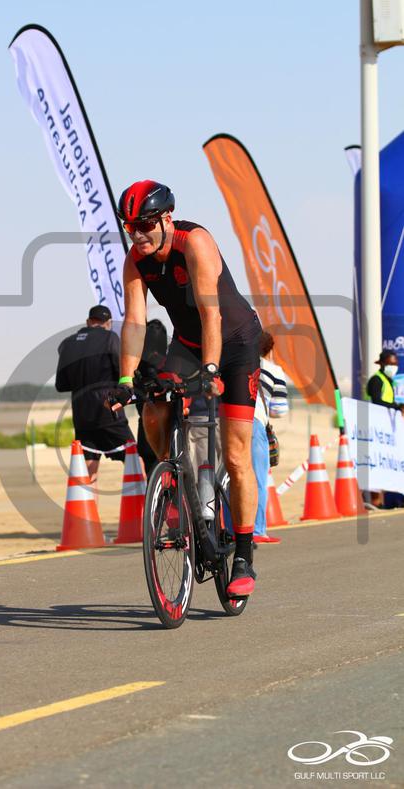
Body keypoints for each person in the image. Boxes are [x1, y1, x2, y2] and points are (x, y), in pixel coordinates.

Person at [112, 180, 262, 596]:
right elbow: (135, 322)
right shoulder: (135, 261)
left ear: (166, 218)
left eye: (145, 225)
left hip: (236, 344)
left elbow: (211, 315)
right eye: (130, 227)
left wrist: (211, 369)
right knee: (153, 407)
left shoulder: (194, 243)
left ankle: (244, 555)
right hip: (188, 345)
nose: (138, 235)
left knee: (235, 454)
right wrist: (124, 380)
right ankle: (173, 482)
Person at [55, 305, 135, 487]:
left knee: (88, 473)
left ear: (88, 322)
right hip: (109, 413)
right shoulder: (110, 338)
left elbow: (61, 385)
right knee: (135, 459)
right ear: (108, 323)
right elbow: (121, 372)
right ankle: (145, 503)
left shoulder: (67, 343)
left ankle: (86, 507)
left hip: (81, 416)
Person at [251, 331, 289, 543]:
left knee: (231, 478)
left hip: (227, 418)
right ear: (270, 349)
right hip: (255, 422)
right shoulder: (274, 370)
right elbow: (279, 410)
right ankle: (257, 530)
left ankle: (229, 529)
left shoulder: (238, 362)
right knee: (257, 479)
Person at [366, 350, 404, 509]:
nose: (393, 367)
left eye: (395, 364)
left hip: (386, 431)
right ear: (381, 364)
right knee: (375, 464)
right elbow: (376, 401)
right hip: (374, 430)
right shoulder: (376, 380)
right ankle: (375, 502)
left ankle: (383, 501)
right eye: (390, 364)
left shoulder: (389, 381)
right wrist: (397, 407)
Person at [135, 318, 168, 479]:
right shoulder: (168, 363)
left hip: (145, 426)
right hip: (167, 426)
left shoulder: (136, 365)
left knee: (152, 475)